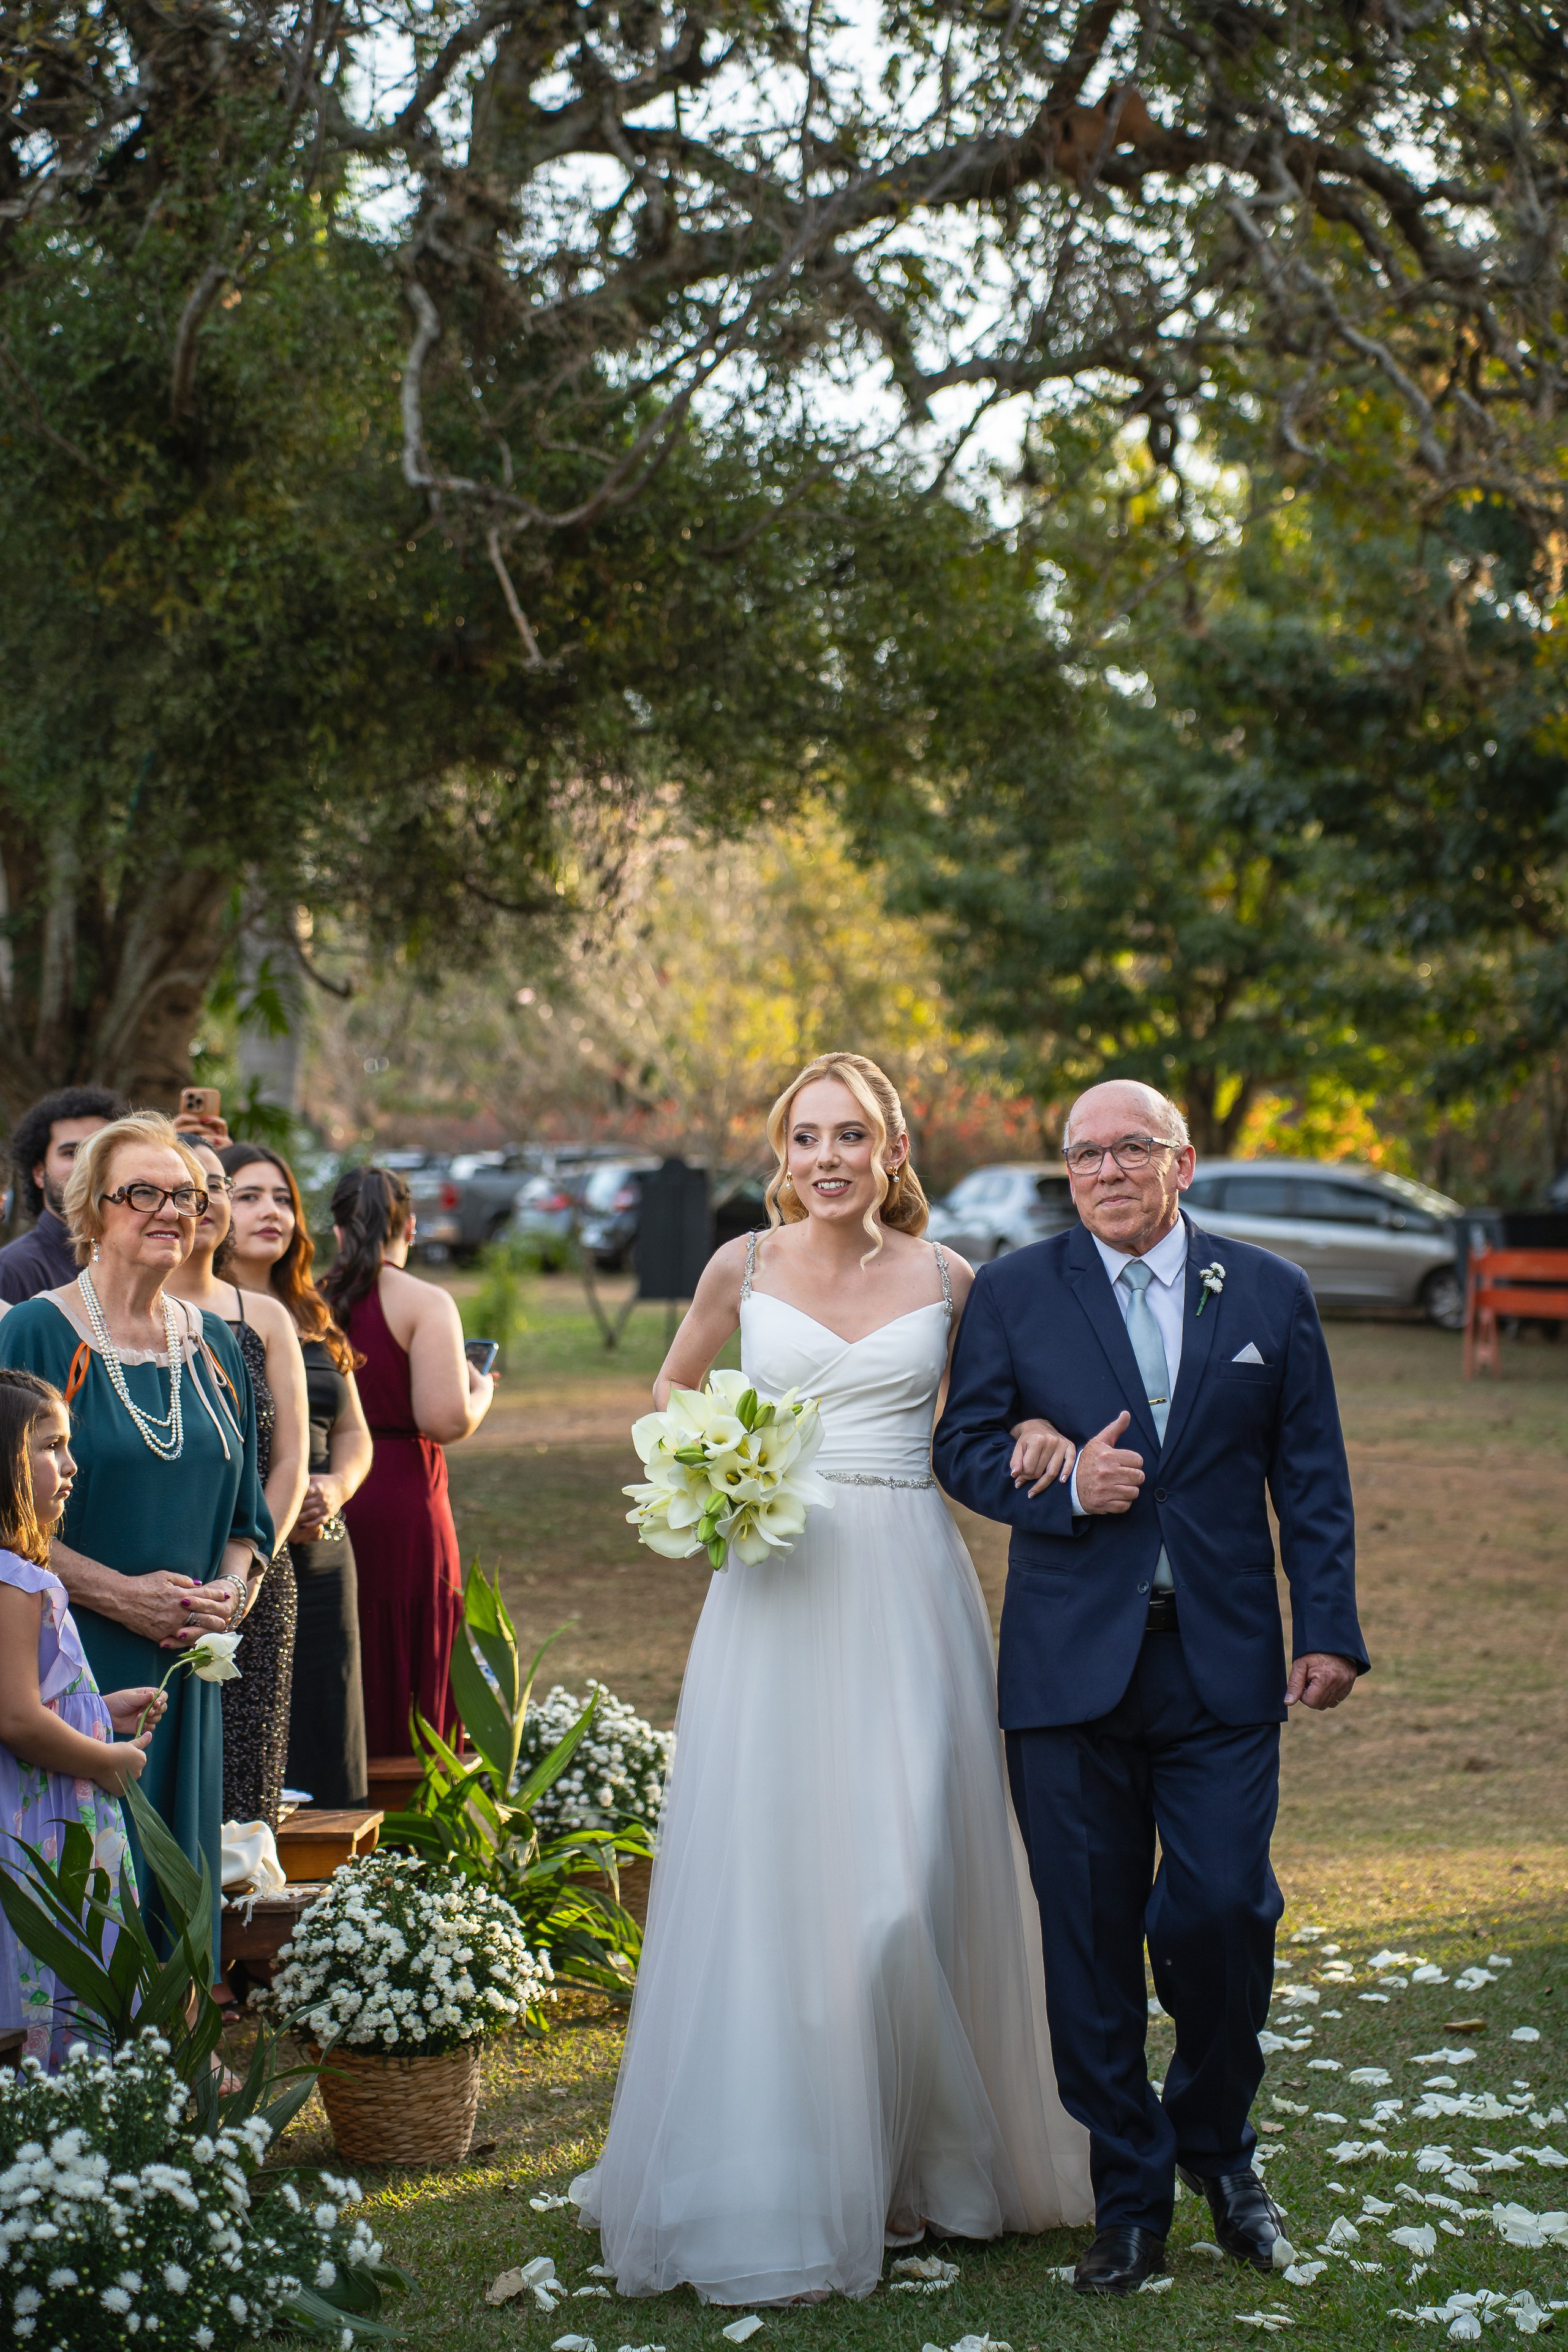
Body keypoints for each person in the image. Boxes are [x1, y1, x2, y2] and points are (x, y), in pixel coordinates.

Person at [573, 1052, 1092, 2305]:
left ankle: (921, 2152)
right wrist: (713, 1467)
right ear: (780, 1153)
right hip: (774, 1582)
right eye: (804, 1137)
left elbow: (995, 1416)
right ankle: (802, 2164)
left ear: (891, 1151)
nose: (824, 1160)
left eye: (848, 1136)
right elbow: (670, 1391)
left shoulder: (954, 1280)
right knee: (778, 1868)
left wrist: (1033, 1432)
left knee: (904, 1879)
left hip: (908, 1581)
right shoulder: (737, 1268)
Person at [934, 1078, 1367, 2295]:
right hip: (1066, 1670)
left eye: (1130, 1149)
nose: (1106, 1171)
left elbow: (1313, 1477)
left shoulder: (1267, 1292)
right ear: (1063, 1175)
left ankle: (1218, 2148)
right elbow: (961, 1446)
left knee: (1224, 1911)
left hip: (1222, 1663)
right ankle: (1127, 2198)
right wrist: (1064, 1485)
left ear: (1181, 1162)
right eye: (1083, 1155)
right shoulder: (1016, 1290)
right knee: (1084, 1942)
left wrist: (1326, 1628)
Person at [0, 1112, 273, 1959]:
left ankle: (180, 2044)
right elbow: (2, 1519)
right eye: (142, 1193)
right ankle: (87, 2070)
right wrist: (122, 1596)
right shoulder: (35, 1332)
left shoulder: (221, 1344)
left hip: (191, 1666)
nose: (170, 1213)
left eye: (186, 1196)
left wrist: (232, 1592)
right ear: (91, 1211)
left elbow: (249, 1521)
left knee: (178, 1871)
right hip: (72, 1663)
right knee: (92, 1889)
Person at [0, 1368, 167, 2066]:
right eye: (50, 1447)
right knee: (55, 1982)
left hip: (33, 1804)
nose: (70, 1465)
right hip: (43, 1829)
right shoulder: (19, 1581)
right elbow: (15, 1720)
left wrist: (96, 1712)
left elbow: (29, 1703)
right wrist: (107, 1761)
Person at [320, 1166, 494, 1756]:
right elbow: (443, 1419)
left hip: (328, 1491)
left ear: (339, 1231)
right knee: (414, 1642)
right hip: (404, 1500)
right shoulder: (425, 1302)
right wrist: (483, 1392)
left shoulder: (307, 1300)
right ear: (411, 1228)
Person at [221, 1142, 373, 1807]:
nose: (271, 1212)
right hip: (239, 1556)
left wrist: (334, 1488)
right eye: (249, 1196)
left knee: (327, 1731)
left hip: (324, 1553)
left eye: (282, 1198)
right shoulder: (191, 1311)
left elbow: (352, 1432)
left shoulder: (311, 1312)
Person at [167, 1142, 309, 1826]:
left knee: (241, 1806)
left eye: (218, 1185)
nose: (208, 1200)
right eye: (190, 1185)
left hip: (254, 1580)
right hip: (152, 1574)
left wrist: (248, 1572)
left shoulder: (266, 1317)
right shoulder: (108, 1314)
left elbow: (288, 1461)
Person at [0, 1088, 126, 1304]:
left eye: (100, 1152)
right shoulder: (11, 1270)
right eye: (70, 1153)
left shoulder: (140, 1258)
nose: (87, 1164)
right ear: (39, 1173)